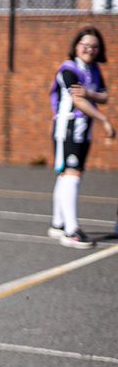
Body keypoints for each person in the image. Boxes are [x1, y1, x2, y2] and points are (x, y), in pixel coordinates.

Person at [48, 26, 113, 249]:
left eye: (94, 47)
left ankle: (58, 223)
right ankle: (71, 230)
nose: (90, 49)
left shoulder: (94, 69)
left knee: (67, 176)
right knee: (71, 176)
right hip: (68, 127)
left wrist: (91, 94)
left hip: (83, 129)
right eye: (85, 45)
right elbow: (78, 101)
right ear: (76, 46)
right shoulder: (69, 70)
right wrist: (103, 120)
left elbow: (102, 95)